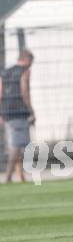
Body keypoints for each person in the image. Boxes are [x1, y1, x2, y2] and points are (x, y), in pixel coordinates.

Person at [0, 49, 35, 183]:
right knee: (16, 146)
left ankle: (20, 176)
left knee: (16, 144)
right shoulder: (24, 72)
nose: (31, 65)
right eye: (31, 62)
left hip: (7, 112)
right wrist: (31, 111)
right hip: (19, 112)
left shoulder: (4, 72)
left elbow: (0, 93)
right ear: (26, 59)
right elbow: (25, 92)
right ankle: (8, 177)